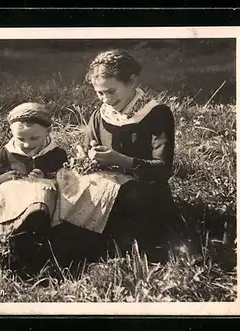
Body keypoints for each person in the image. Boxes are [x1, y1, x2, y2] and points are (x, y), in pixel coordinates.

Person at [51, 49, 182, 263]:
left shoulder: (156, 114)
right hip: (104, 184)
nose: (106, 99)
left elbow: (162, 169)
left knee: (122, 199)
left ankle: (118, 251)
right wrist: (85, 155)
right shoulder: (100, 115)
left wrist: (119, 160)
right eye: (100, 93)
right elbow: (87, 151)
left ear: (132, 81)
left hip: (143, 192)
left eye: (111, 91)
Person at [0, 102, 68, 272]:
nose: (27, 144)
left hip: (46, 208)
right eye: (21, 139)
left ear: (48, 132)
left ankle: (42, 253)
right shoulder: (5, 153)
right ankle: (13, 245)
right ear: (12, 133)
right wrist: (0, 179)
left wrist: (48, 177)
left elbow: (66, 178)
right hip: (13, 206)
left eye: (34, 138)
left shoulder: (56, 153)